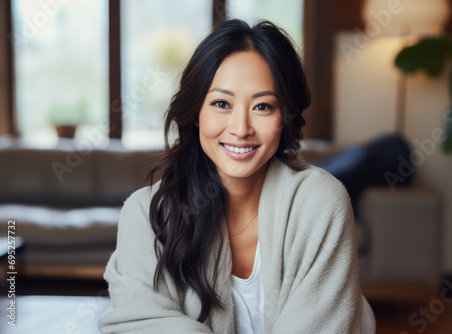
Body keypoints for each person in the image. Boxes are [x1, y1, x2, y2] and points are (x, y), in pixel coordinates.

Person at [98, 19, 375, 333]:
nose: (241, 128)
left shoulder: (319, 203)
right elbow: (138, 322)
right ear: (196, 112)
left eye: (263, 106)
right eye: (221, 103)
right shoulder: (147, 213)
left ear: (285, 117)